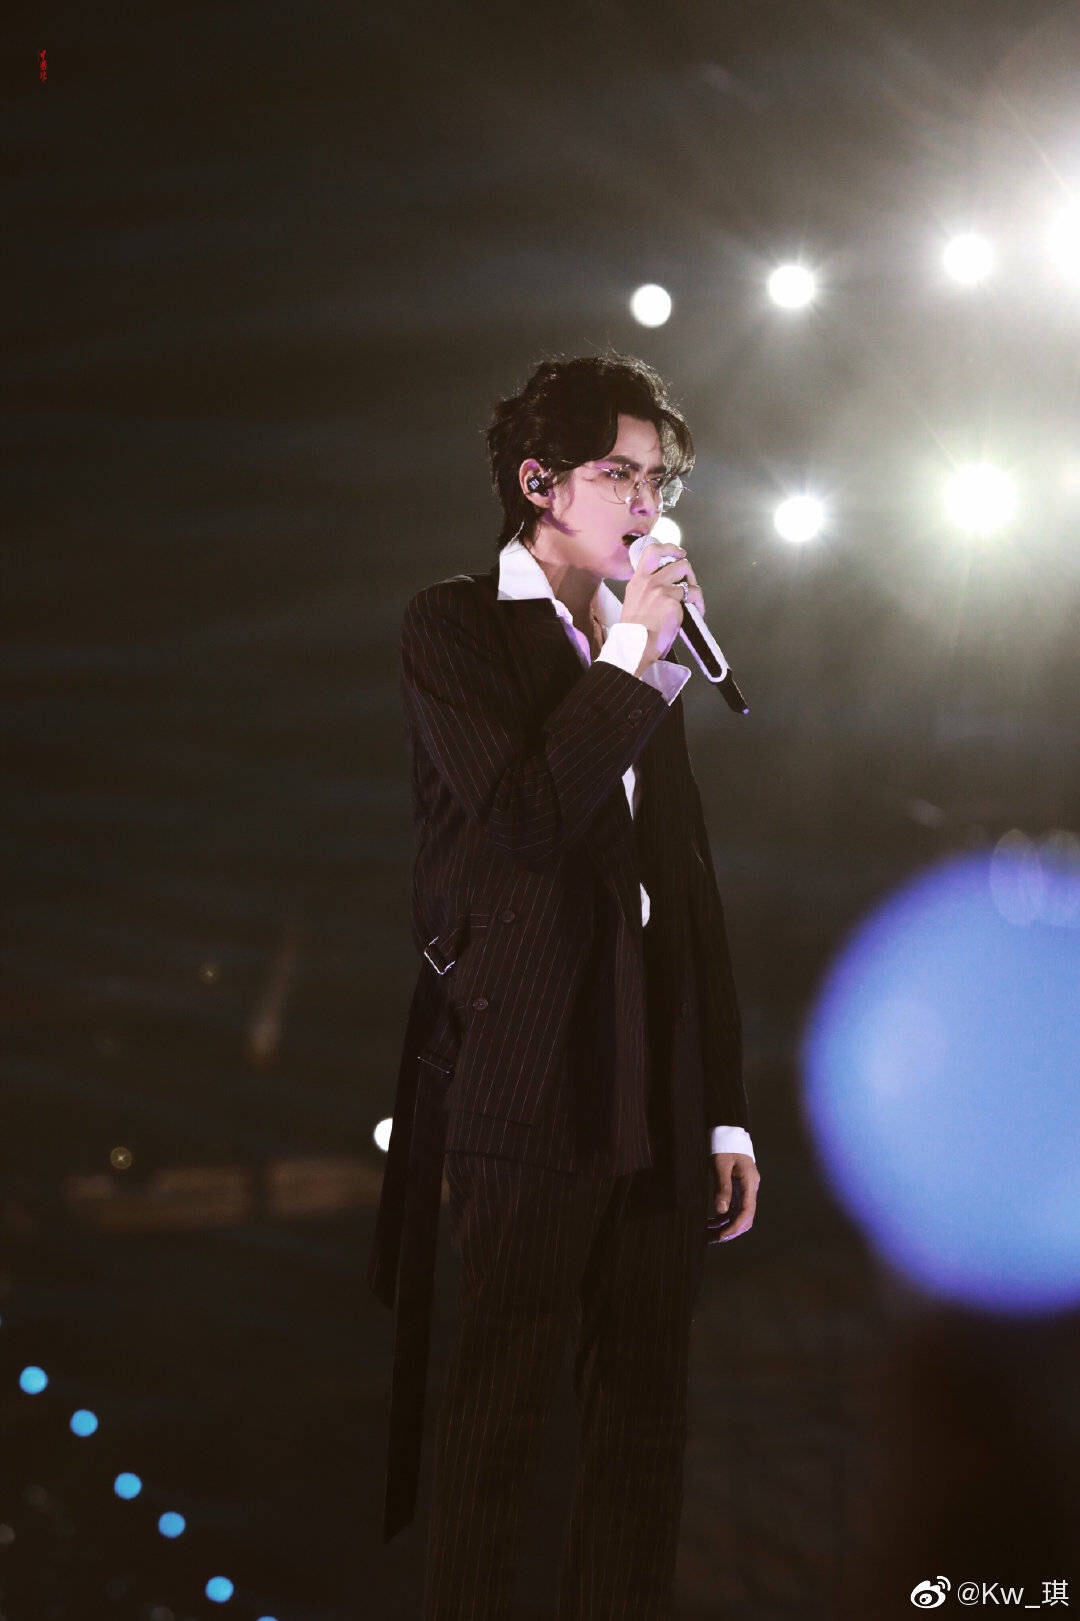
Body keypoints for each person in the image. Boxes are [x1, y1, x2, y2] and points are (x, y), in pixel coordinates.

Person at [369, 353, 761, 1618]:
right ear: (540, 483)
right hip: (529, 1074)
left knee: (643, 1427)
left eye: (659, 481)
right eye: (618, 474)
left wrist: (722, 1108)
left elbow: (684, 890)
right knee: (500, 1427)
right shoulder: (455, 627)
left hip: (654, 1082)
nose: (647, 503)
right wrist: (632, 651)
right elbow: (529, 820)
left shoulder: (639, 652)